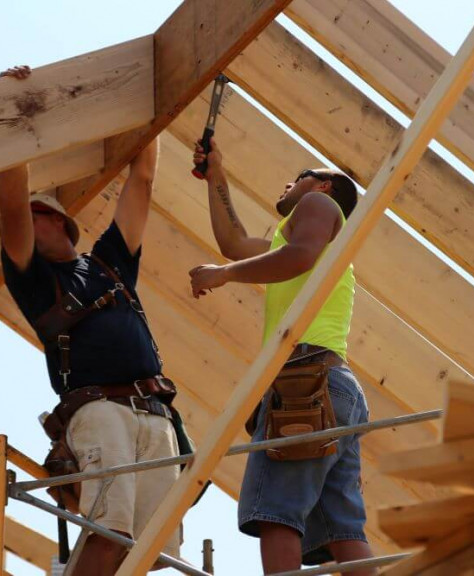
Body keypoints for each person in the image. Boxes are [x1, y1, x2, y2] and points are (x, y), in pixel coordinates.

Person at [0, 66, 182, 575]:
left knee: (155, 550)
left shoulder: (108, 263)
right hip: (99, 410)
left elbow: (142, 178)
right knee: (110, 532)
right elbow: (12, 193)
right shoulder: (32, 278)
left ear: (57, 220)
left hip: (155, 411)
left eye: (30, 215)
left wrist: (159, 98)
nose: (11, 222)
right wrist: (15, 105)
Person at [190, 138, 375, 575]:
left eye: (303, 176)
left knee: (276, 512)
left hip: (304, 379)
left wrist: (223, 276)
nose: (291, 182)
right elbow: (235, 242)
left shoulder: (318, 207)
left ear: (325, 187)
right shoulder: (305, 227)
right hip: (332, 385)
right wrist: (216, 174)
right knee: (341, 529)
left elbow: (298, 257)